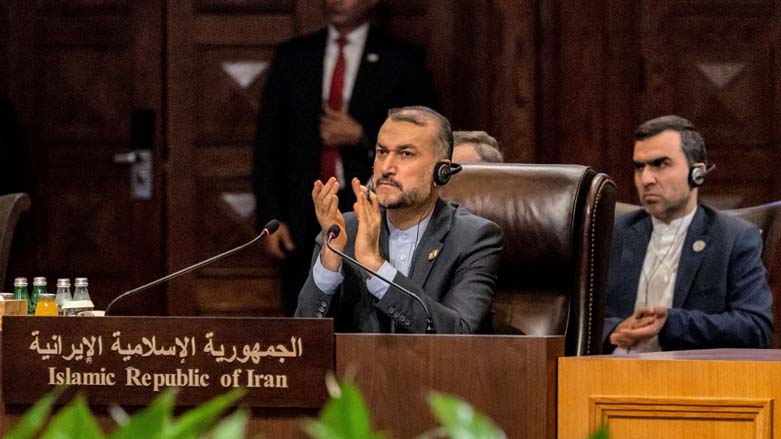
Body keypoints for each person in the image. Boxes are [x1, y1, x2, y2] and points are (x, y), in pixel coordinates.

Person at [252, 0, 437, 316]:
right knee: (307, 314)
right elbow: (268, 143)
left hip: (373, 207)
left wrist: (362, 135)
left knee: (368, 311)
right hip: (304, 212)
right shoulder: (293, 56)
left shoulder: (402, 59)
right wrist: (272, 217)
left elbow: (424, 135)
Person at [295, 106, 503, 333]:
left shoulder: (474, 238)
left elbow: (459, 333)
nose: (386, 168)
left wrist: (375, 265)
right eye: (382, 152)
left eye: (406, 154)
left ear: (441, 171)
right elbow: (305, 342)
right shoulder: (344, 232)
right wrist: (329, 263)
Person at [603, 115, 773, 353]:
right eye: (639, 167)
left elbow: (755, 327)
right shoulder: (611, 233)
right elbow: (573, 318)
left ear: (697, 173)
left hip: (691, 379)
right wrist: (616, 329)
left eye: (660, 164)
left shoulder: (733, 238)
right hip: (609, 376)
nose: (646, 179)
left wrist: (671, 323)